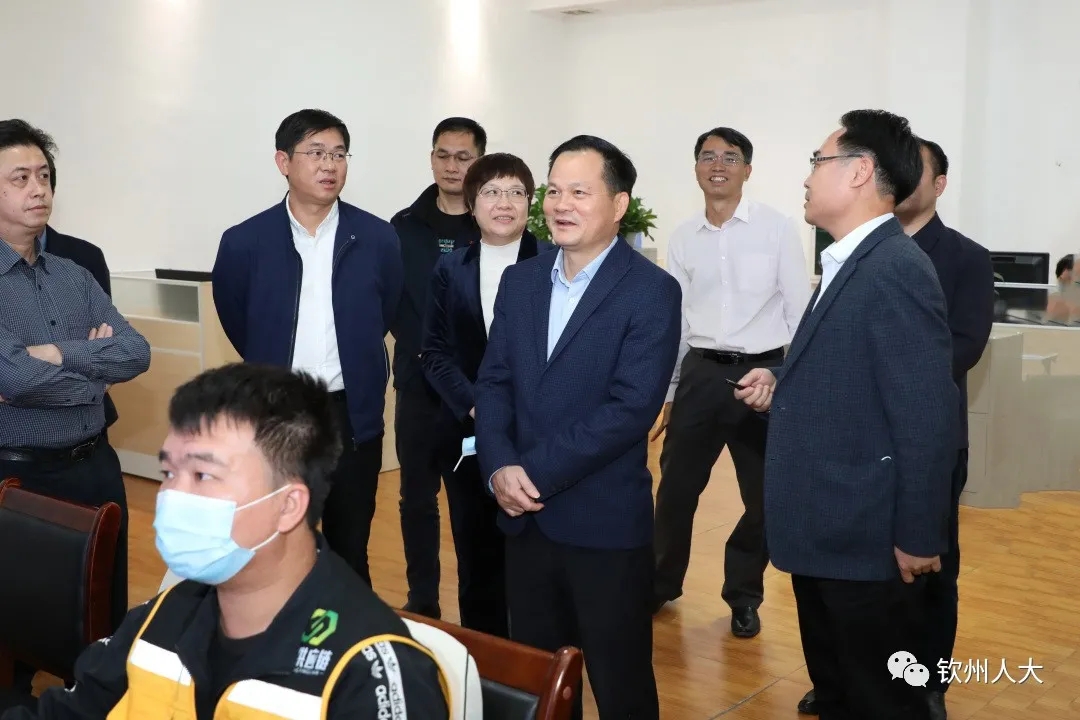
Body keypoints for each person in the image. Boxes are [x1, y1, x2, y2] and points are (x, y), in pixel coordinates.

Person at [1, 363, 450, 719]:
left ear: (288, 505)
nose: (173, 496)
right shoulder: (162, 616)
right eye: (169, 472)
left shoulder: (368, 676)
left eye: (203, 475)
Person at [735, 110, 958, 720]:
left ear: (860, 171)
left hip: (864, 539)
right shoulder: (851, 262)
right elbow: (852, 369)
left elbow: (925, 416)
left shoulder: (893, 269)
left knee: (878, 699)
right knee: (840, 690)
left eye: (818, 161)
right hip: (828, 529)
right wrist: (783, 378)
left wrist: (918, 535)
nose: (807, 177)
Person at [475, 135, 682, 719]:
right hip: (523, 523)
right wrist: (498, 466)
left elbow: (629, 409)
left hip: (603, 525)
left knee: (621, 685)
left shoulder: (651, 291)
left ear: (618, 205)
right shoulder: (521, 282)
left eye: (580, 192)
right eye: (554, 191)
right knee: (540, 682)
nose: (561, 204)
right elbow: (493, 382)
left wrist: (527, 472)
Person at [212, 109, 402, 586]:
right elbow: (237, 318)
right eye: (316, 153)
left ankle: (344, 631)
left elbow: (387, 310)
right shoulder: (244, 242)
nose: (329, 165)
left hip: (350, 415)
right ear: (283, 161)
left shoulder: (377, 237)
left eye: (338, 154)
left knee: (349, 547)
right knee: (276, 547)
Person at [0, 119, 150, 684]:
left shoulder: (74, 273)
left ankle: (100, 696)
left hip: (95, 465)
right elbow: (12, 376)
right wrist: (91, 370)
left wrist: (55, 354)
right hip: (19, 476)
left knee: (103, 611)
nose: (38, 189)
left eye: (43, 176)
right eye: (20, 178)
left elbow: (135, 352)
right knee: (20, 616)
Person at [651, 127, 810, 635]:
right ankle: (660, 584)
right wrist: (670, 391)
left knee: (763, 499)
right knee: (675, 491)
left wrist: (788, 382)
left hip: (761, 375)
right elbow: (675, 323)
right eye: (707, 156)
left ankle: (743, 595)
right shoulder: (682, 237)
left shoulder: (778, 228)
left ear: (747, 169)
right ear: (696, 167)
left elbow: (799, 312)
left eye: (730, 157)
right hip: (700, 374)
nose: (717, 165)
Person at [420, 152, 552, 637]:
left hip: (540, 433)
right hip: (469, 434)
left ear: (531, 203)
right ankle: (486, 658)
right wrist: (478, 403)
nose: (504, 203)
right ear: (472, 204)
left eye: (516, 192)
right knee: (477, 559)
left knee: (539, 559)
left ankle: (541, 661)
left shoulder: (555, 262)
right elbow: (433, 352)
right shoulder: (450, 267)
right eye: (492, 192)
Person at [390, 117, 486, 618]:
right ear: (431, 159)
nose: (452, 166)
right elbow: (392, 302)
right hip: (418, 389)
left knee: (474, 505)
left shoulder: (494, 226)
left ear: (479, 162)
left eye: (463, 157)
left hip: (474, 394)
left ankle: (478, 608)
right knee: (416, 500)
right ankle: (423, 600)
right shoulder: (403, 227)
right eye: (443, 155)